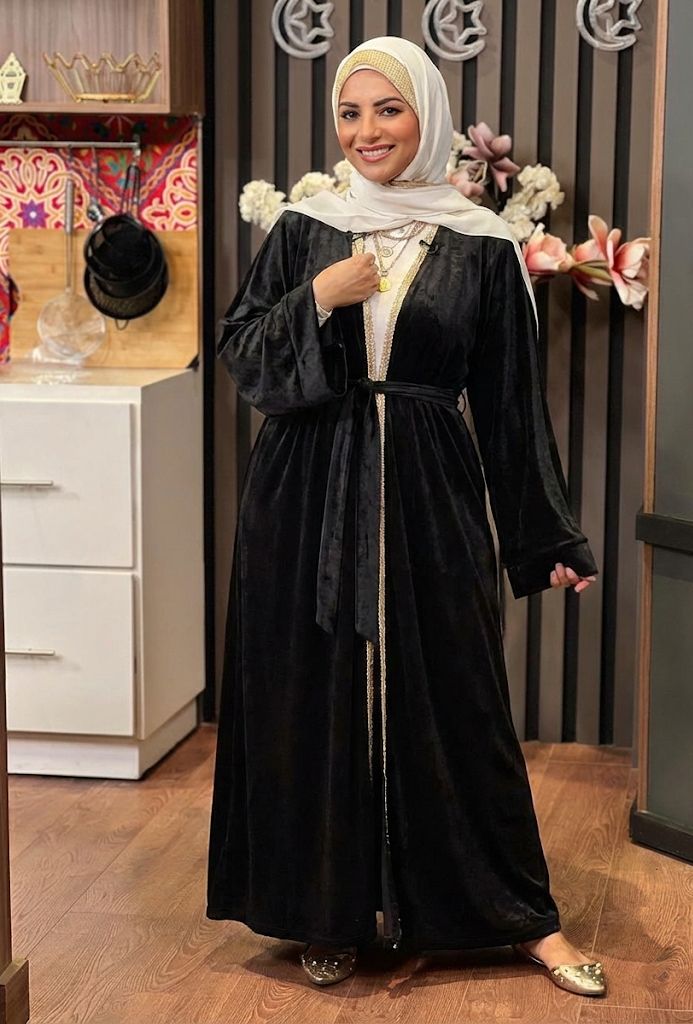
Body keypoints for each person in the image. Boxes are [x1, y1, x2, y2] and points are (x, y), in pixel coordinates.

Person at [207, 36, 606, 998]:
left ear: (426, 117)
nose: (366, 131)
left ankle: (519, 918)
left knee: (458, 695)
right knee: (313, 697)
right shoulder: (306, 229)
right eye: (350, 113)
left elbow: (509, 406)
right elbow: (242, 355)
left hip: (428, 491)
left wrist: (546, 536)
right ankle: (326, 911)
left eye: (387, 109)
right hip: (304, 494)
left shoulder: (482, 245)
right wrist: (316, 298)